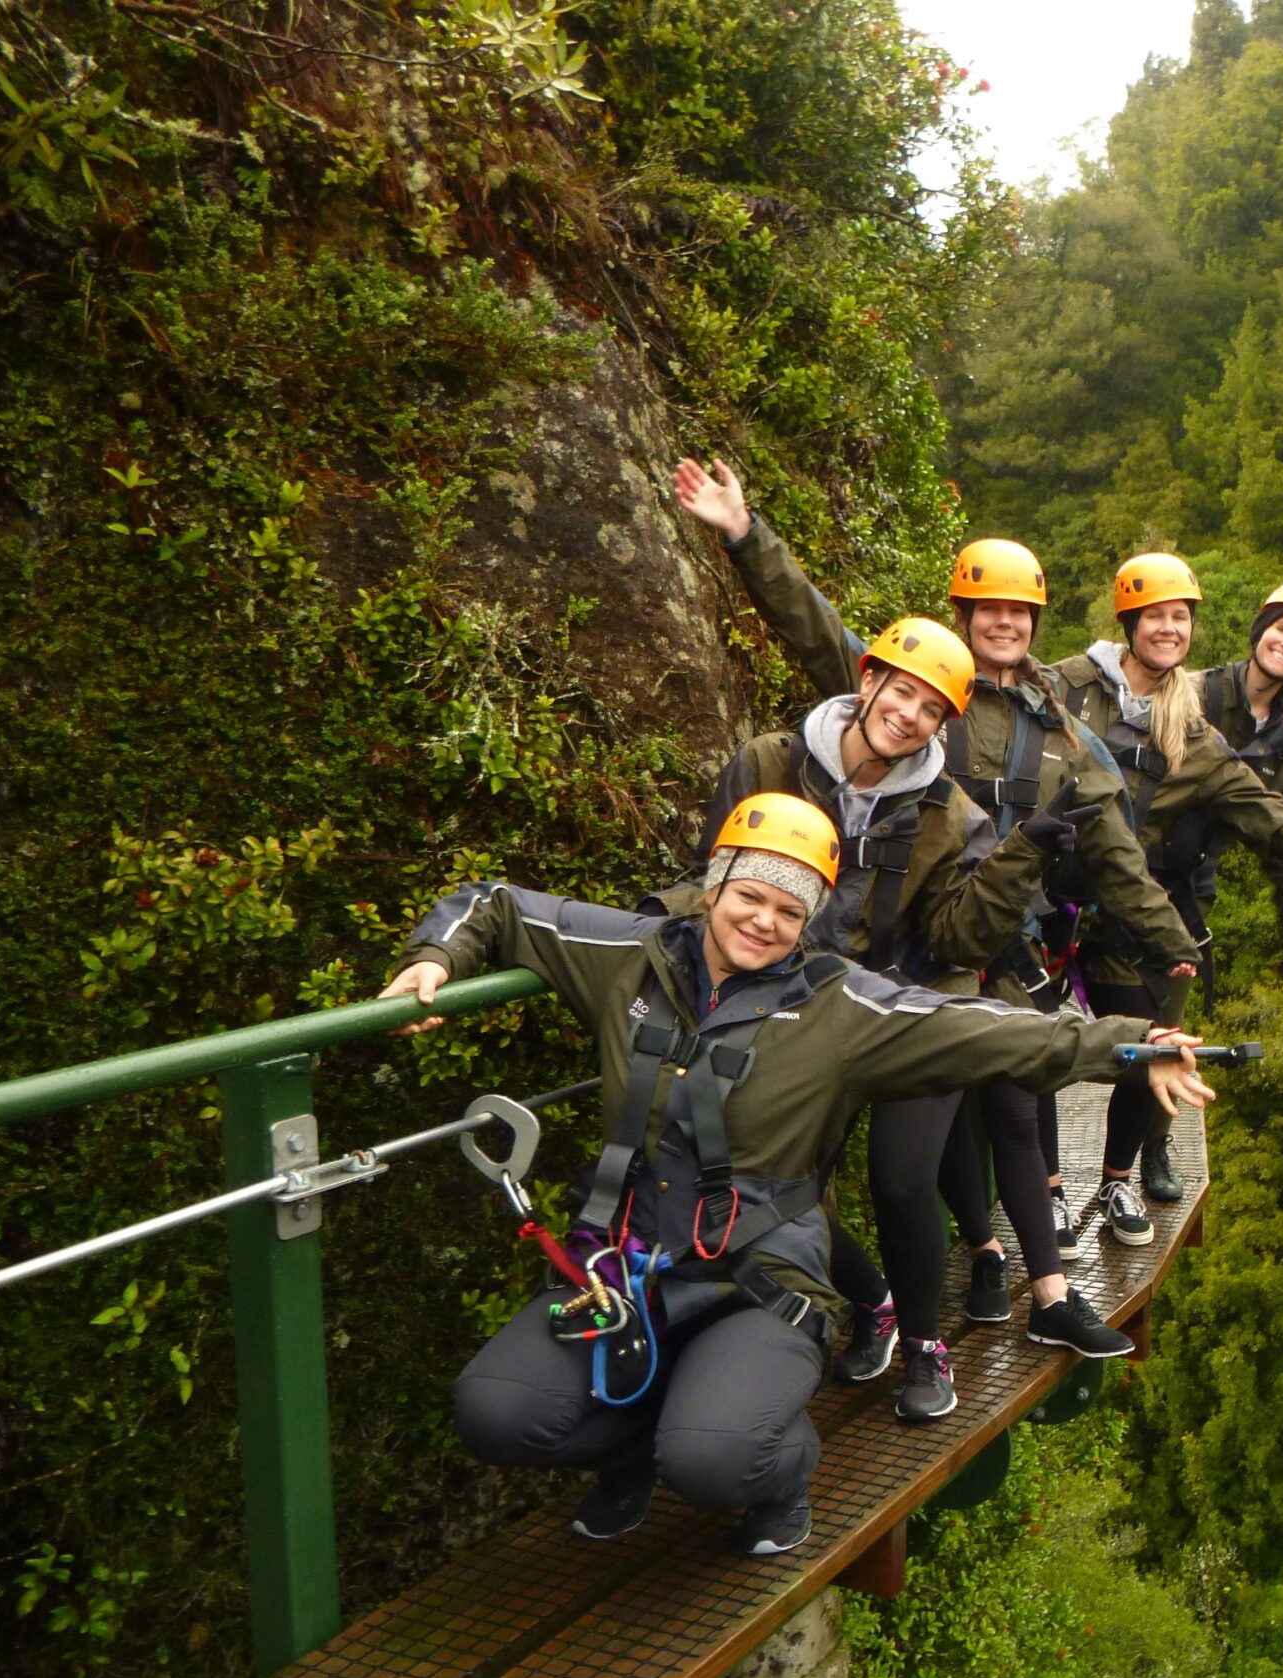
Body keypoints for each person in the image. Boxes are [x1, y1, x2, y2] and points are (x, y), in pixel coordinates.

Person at [376, 792, 1213, 1557]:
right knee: (493, 1411)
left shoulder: (840, 1008)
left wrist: (1134, 1048)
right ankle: (635, 1450)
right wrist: (435, 958)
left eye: (790, 909)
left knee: (713, 1459)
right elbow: (500, 904)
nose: (764, 921)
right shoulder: (632, 957)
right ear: (714, 888)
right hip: (626, 1264)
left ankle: (780, 1474)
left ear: (810, 920)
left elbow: (987, 1030)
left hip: (761, 1275)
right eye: (749, 896)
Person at [672, 457, 1196, 1364]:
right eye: (988, 607)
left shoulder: (1061, 727)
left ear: (1035, 623)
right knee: (931, 1134)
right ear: (961, 617)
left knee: (1015, 1105)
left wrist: (1168, 942)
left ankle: (1044, 1287)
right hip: (894, 945)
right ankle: (971, 1265)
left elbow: (1111, 842)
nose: (1003, 622)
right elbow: (814, 629)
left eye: (1019, 611)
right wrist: (745, 536)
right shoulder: (924, 687)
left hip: (988, 937)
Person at [646, 601, 1073, 1424]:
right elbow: (719, 879)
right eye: (899, 691)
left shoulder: (953, 814)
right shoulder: (769, 762)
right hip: (789, 996)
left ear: (942, 724)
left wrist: (1025, 858)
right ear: (868, 679)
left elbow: (958, 933)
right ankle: (871, 1298)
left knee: (903, 1177)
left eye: (930, 708)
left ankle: (923, 1344)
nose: (907, 715)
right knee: (770, 1175)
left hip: (904, 997)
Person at [1051, 553, 1283, 1246]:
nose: (1168, 628)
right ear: (1129, 621)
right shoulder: (1073, 689)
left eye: (1180, 617)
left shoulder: (1197, 733)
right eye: (1155, 616)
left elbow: (1275, 816)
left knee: (1145, 1044)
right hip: (1048, 895)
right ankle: (1049, 1195)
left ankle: (1119, 1177)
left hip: (1142, 905)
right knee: (1025, 1047)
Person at [1193, 579, 1283, 982]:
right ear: (1260, 631)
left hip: (1192, 893)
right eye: (1282, 628)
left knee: (1159, 1026)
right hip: (1134, 872)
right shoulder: (1200, 695)